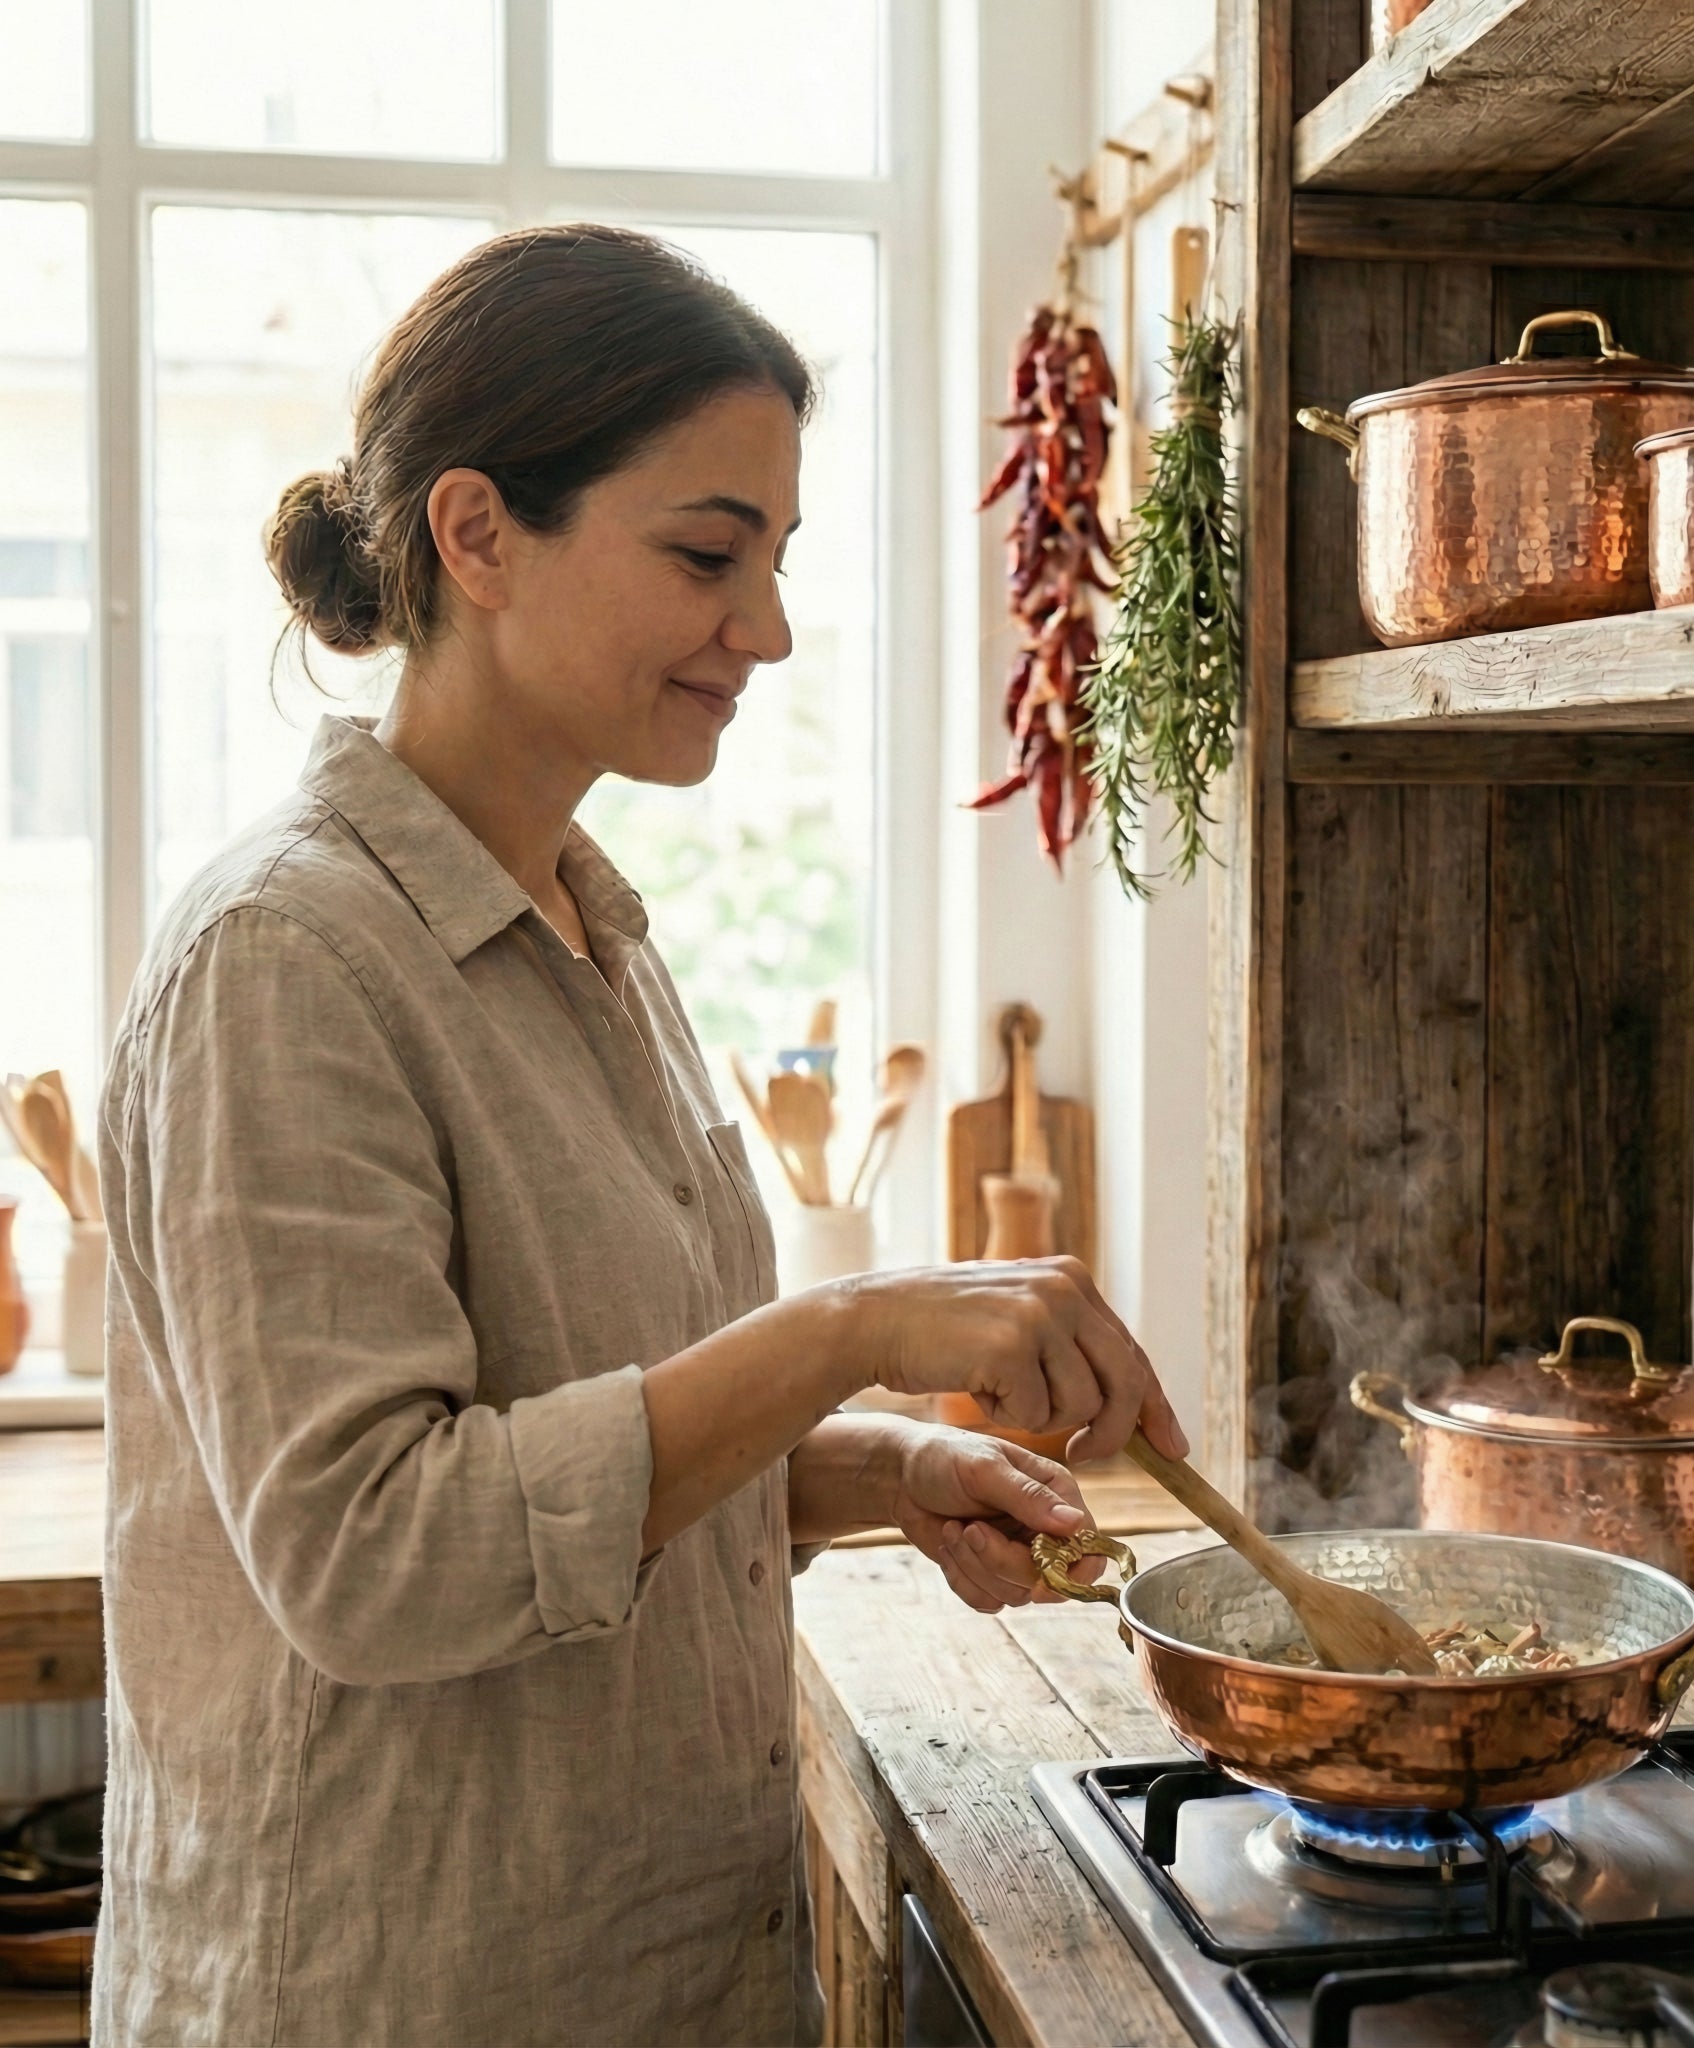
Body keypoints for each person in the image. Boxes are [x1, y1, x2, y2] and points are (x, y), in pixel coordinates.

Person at [95, 222, 1186, 2047]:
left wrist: (885, 1472)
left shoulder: (594, 929)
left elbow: (600, 1439)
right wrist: (859, 1327)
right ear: (476, 535)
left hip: (648, 1967)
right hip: (391, 1994)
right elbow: (380, 1555)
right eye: (706, 554)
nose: (760, 629)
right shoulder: (281, 959)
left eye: (773, 563)